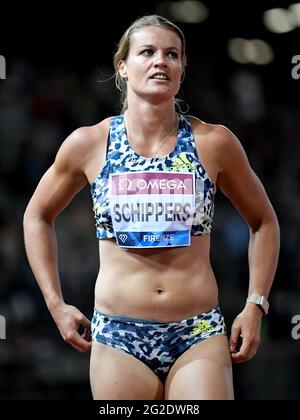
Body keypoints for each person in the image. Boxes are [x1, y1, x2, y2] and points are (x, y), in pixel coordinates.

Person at [23, 15, 280, 400]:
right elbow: (37, 215)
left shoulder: (214, 143)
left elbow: (263, 221)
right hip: (118, 335)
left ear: (182, 69)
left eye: (172, 54)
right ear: (123, 67)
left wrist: (255, 304)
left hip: (198, 333)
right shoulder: (90, 144)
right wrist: (55, 304)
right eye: (148, 52)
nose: (161, 61)